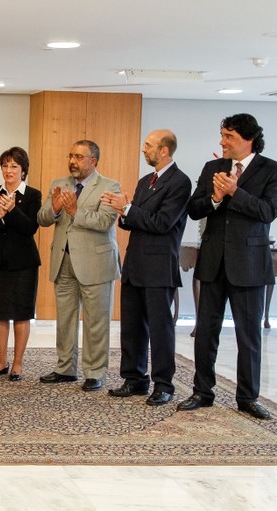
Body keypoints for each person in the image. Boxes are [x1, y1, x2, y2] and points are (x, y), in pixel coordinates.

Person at [177, 114, 277, 420]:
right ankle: (202, 391)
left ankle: (248, 397)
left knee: (248, 334)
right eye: (222, 135)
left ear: (249, 139)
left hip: (249, 265)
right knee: (206, 331)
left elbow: (268, 212)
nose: (223, 142)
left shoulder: (275, 170)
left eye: (229, 136)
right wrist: (215, 196)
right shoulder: (213, 168)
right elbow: (194, 208)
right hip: (213, 261)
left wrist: (235, 192)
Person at [101, 130, 191, 406]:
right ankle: (135, 378)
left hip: (159, 266)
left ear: (164, 150)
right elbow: (133, 221)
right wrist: (123, 211)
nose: (143, 149)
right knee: (132, 326)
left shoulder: (180, 182)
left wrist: (128, 208)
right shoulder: (145, 181)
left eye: (149, 145)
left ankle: (164, 384)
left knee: (160, 329)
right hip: (136, 263)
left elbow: (162, 223)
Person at [37, 140, 120, 391]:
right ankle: (65, 369)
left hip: (95, 263)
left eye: (79, 157)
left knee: (96, 321)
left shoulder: (109, 186)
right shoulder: (58, 184)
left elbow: (105, 220)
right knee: (65, 320)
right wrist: (56, 207)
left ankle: (95, 372)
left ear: (93, 161)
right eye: (70, 156)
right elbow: (42, 219)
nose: (72, 161)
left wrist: (75, 212)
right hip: (63, 261)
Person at [0, 147, 41, 382]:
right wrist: (1, 215)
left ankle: (17, 364)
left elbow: (30, 228)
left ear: (23, 170)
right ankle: (1, 361)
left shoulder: (33, 195)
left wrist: (12, 211)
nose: (8, 170)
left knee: (21, 314)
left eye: (14, 166)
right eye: (5, 165)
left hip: (23, 263)